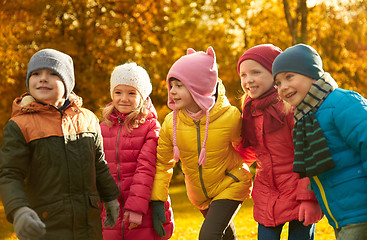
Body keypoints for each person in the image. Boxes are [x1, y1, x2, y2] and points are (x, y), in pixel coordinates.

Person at [0, 49, 120, 240]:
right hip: (46, 225)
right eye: (36, 74)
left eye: (53, 73)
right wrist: (19, 209)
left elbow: (98, 163)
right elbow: (9, 174)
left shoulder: (88, 119)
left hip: (89, 225)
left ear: (67, 82)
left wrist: (111, 197)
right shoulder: (19, 125)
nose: (43, 79)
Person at [150, 46, 253, 240]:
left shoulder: (229, 117)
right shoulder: (170, 124)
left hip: (230, 184)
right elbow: (163, 164)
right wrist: (158, 200)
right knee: (225, 237)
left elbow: (248, 148)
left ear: (198, 87)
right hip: (200, 195)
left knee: (208, 235)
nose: (172, 92)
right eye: (171, 85)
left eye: (179, 86)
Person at [272, 43, 367, 240]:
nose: (283, 87)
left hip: (361, 212)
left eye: (289, 77)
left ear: (312, 74)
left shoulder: (341, 103)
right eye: (278, 83)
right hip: (341, 215)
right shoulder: (305, 118)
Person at [237, 44, 322, 240]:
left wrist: (309, 198)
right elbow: (252, 150)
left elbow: (310, 155)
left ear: (275, 74)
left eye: (255, 72)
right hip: (268, 192)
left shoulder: (292, 109)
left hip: (299, 192)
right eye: (243, 75)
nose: (248, 80)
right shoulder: (250, 110)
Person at [100, 63, 174, 240]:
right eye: (118, 92)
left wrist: (136, 209)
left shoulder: (150, 127)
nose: (124, 98)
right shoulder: (103, 127)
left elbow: (146, 169)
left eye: (131, 93)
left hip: (143, 209)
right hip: (111, 209)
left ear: (142, 96)